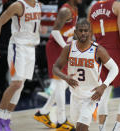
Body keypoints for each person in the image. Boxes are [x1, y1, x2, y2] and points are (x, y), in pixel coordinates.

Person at [53, 18, 118, 131]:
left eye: (86, 30)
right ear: (75, 32)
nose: (83, 33)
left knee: (81, 128)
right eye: (80, 30)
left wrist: (104, 86)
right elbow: (55, 68)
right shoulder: (68, 48)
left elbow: (114, 68)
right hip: (75, 95)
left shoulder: (98, 50)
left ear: (90, 32)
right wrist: (65, 77)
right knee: (79, 127)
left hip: (91, 95)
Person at [33, 0, 82, 130]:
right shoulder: (65, 10)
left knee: (65, 84)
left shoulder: (75, 8)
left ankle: (43, 112)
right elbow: (55, 32)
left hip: (64, 47)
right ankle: (61, 121)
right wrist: (67, 47)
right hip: (56, 48)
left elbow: (71, 31)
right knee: (61, 83)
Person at [88, 0, 120, 131]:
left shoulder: (92, 9)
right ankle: (117, 127)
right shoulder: (118, 6)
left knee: (104, 93)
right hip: (117, 52)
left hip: (100, 53)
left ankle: (101, 129)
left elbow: (88, 36)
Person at [0, 0, 41, 131]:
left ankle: (6, 118)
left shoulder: (37, 5)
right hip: (18, 47)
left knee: (20, 86)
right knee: (16, 83)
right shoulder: (18, 5)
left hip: (31, 49)